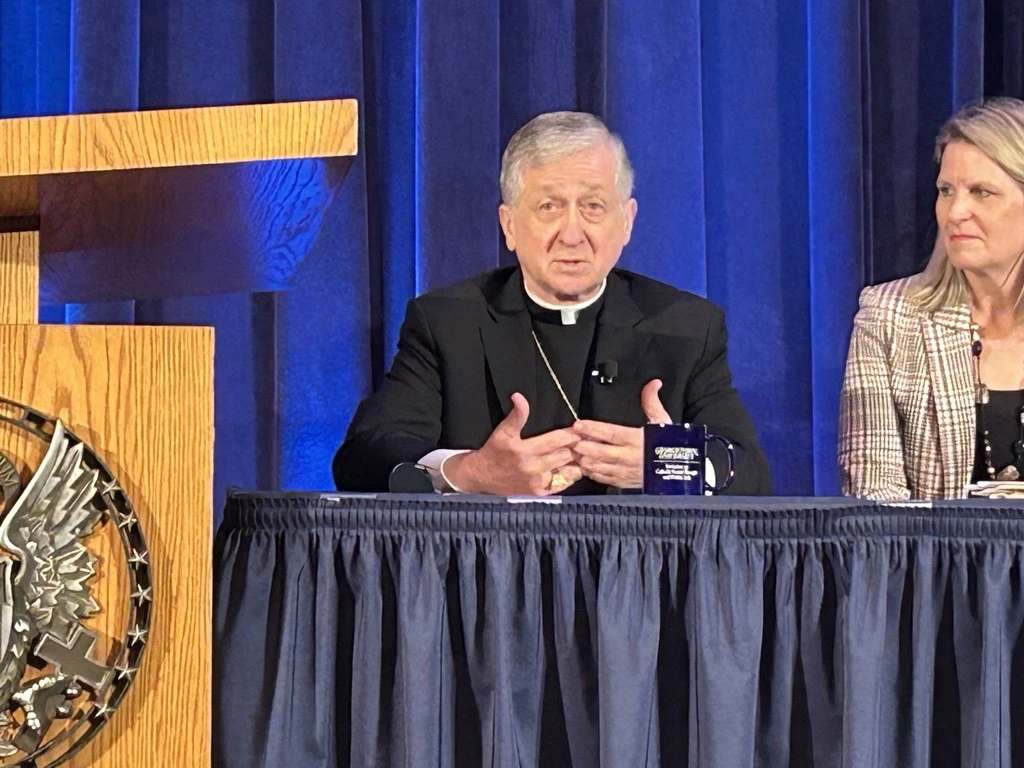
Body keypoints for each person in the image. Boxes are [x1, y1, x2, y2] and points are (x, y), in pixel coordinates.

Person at [334, 111, 770, 495]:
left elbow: (751, 472)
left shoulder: (687, 327)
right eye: (548, 206)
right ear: (509, 225)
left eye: (594, 206)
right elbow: (364, 458)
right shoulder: (448, 323)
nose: (572, 233)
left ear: (628, 222)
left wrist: (671, 462)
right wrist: (472, 472)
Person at [839, 98, 1024, 499]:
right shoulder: (888, 317)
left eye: (981, 192)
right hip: (934, 561)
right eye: (946, 190)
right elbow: (874, 497)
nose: (955, 212)